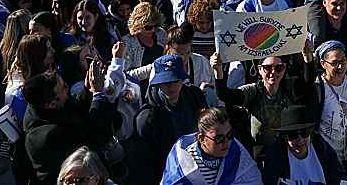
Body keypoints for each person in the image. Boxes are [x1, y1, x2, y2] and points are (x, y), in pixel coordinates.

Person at [211, 39, 316, 152]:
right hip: (257, 148)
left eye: (279, 68)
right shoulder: (252, 91)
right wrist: (218, 70)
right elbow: (225, 95)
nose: (273, 72)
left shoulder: (289, 87)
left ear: (284, 68)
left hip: (284, 147)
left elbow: (308, 80)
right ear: (260, 69)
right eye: (268, 68)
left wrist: (307, 56)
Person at [21, 67, 117, 185]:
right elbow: (94, 140)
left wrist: (87, 90)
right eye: (64, 88)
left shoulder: (45, 104)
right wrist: (98, 95)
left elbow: (72, 109)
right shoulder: (48, 136)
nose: (67, 88)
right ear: (52, 103)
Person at [132, 54, 208, 185]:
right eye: (166, 82)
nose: (172, 87)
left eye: (176, 80)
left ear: (183, 80)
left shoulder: (196, 97)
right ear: (158, 83)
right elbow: (144, 165)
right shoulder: (145, 119)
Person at [160, 107, 261, 185]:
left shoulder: (238, 154)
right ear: (202, 139)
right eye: (219, 138)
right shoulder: (182, 163)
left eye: (230, 135)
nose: (226, 142)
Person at [261, 104, 347, 185]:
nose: (300, 140)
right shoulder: (275, 158)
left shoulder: (324, 150)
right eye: (293, 135)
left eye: (304, 133)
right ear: (285, 137)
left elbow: (338, 178)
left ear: (311, 133)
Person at [309, 41, 347, 165]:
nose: (340, 67)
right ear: (323, 64)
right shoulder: (318, 89)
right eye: (334, 63)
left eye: (343, 61)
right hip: (327, 159)